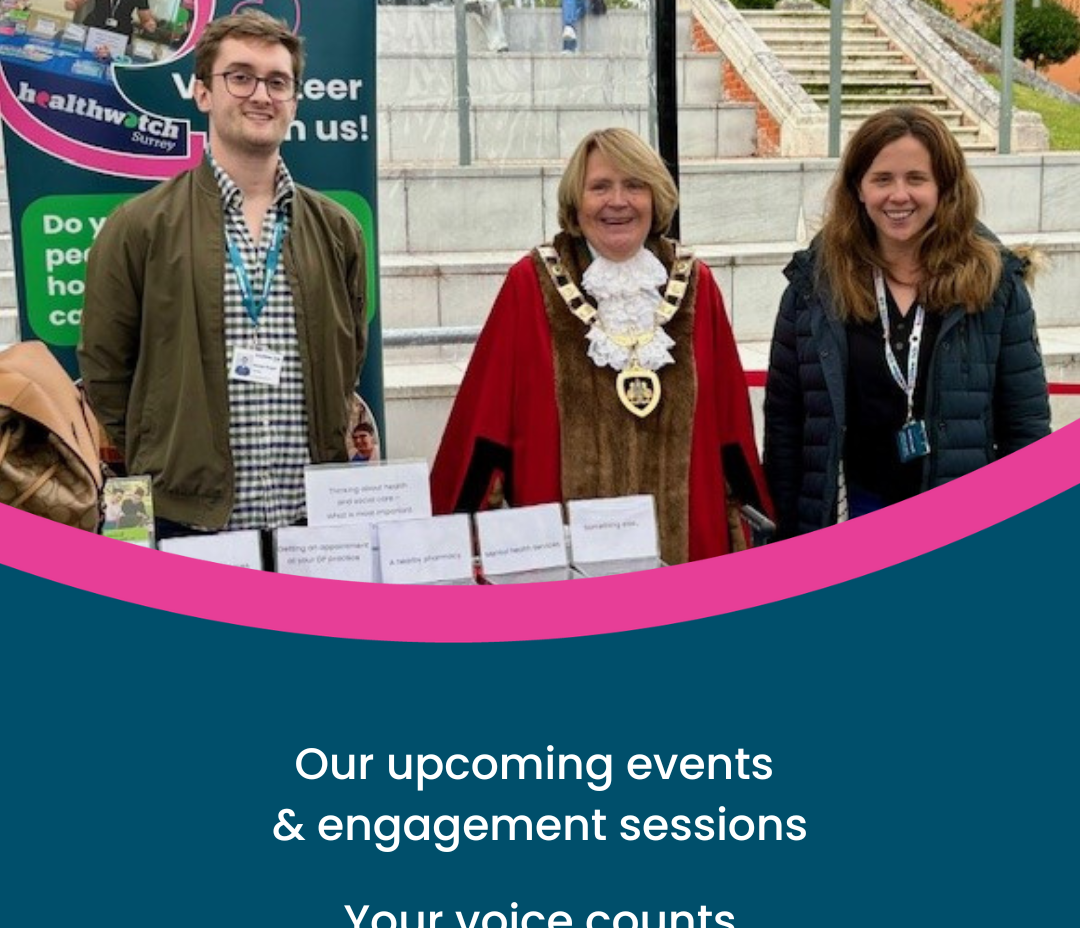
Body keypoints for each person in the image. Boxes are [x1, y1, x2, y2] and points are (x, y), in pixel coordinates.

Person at [78, 10, 367, 536]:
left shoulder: (338, 230)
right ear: (203, 92)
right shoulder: (138, 227)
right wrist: (163, 453)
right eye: (240, 76)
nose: (261, 94)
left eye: (278, 81)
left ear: (294, 101)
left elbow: (349, 358)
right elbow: (104, 371)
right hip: (185, 518)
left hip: (313, 522)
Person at [430, 127, 768, 565]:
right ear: (576, 201)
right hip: (560, 554)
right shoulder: (529, 284)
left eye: (634, 185)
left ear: (656, 197)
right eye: (600, 187)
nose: (618, 201)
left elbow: (731, 432)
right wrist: (452, 541)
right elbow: (484, 426)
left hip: (687, 550)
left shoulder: (698, 286)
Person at [764, 105, 1050, 539]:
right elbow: (786, 426)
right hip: (848, 516)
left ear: (943, 187)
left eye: (916, 178)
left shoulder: (995, 287)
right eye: (882, 179)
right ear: (858, 189)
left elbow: (1025, 427)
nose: (899, 195)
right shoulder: (813, 288)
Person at [65, 0, 157, 37]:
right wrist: (72, 3)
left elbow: (145, 18)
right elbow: (77, 2)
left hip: (120, 36)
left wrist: (149, 23)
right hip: (94, 29)